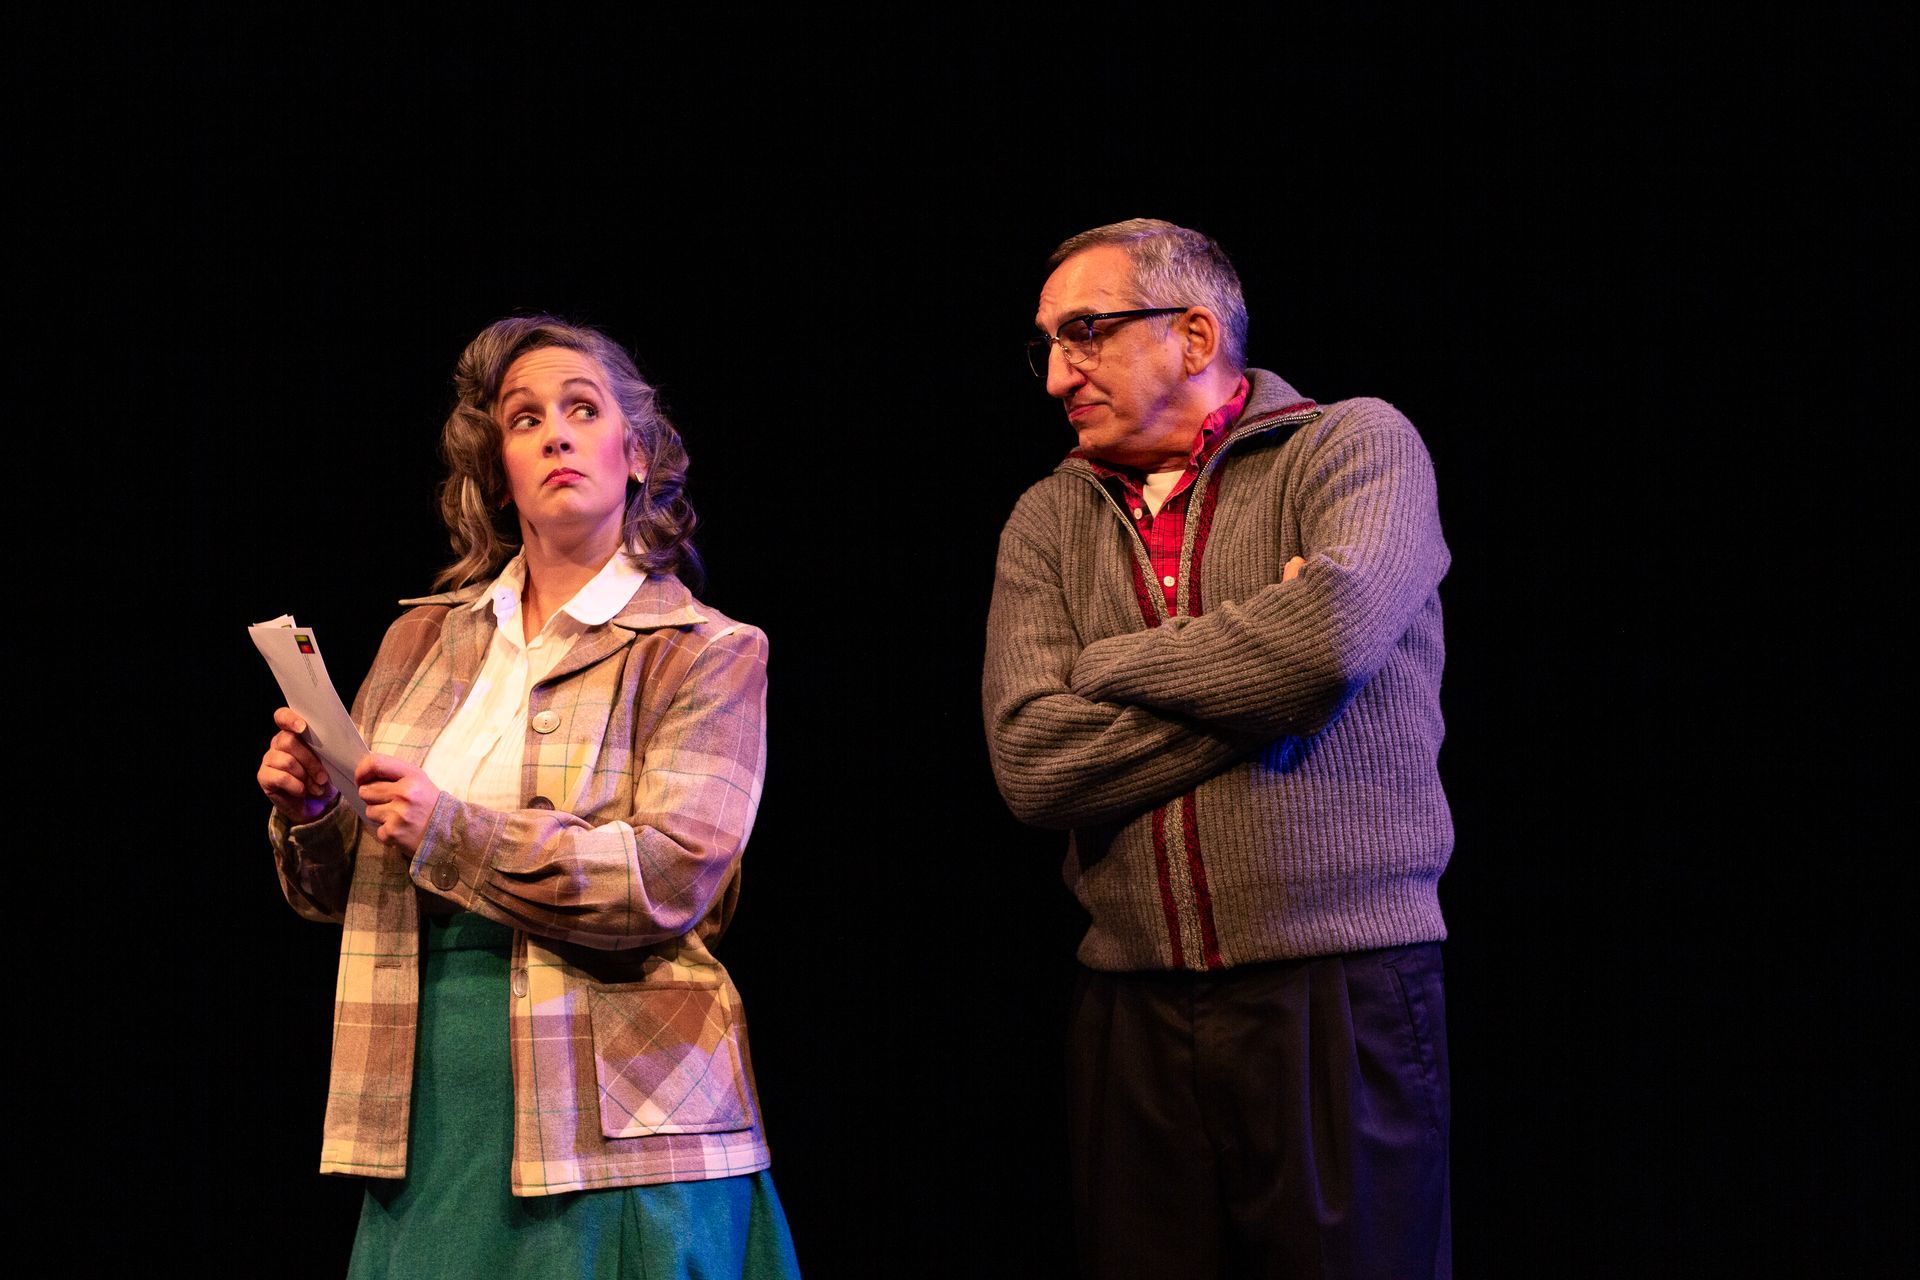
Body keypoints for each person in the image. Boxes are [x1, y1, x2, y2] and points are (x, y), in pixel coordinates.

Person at [258, 315, 800, 1278]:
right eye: (525, 419)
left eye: (581, 410)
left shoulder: (708, 651)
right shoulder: (419, 642)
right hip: (430, 1097)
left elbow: (667, 878)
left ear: (634, 455)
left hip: (622, 1116)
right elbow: (339, 895)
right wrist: (314, 816)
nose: (554, 433)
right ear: (498, 472)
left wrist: (450, 831)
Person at [983, 220, 1453, 1278]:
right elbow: (1032, 760)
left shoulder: (1353, 446)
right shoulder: (1049, 518)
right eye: (1049, 345)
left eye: (1088, 333)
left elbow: (1329, 638)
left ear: (1195, 335)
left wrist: (1103, 667)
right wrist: (1267, 682)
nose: (1060, 374)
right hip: (1133, 1009)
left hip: (1337, 990)